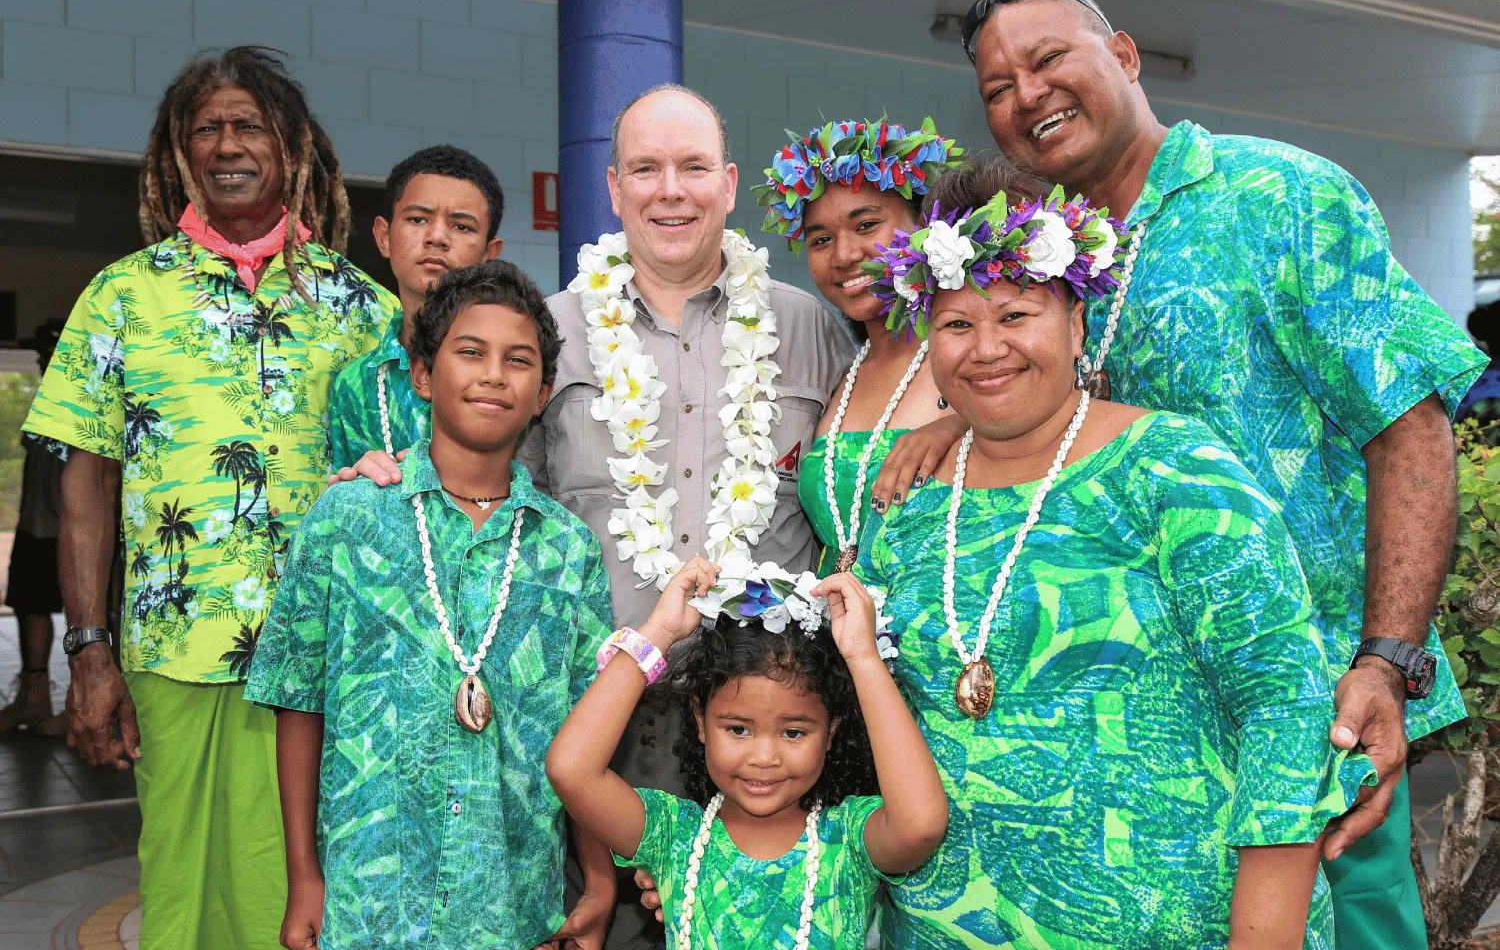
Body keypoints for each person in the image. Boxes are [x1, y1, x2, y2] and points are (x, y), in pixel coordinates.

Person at [959, 0, 1488, 947]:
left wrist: (1384, 660)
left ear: (1122, 55)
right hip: (1135, 741)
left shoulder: (1277, 195)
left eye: (1046, 60)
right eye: (996, 87)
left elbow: (1409, 429)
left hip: (1311, 713)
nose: (1025, 94)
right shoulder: (1042, 255)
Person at [337, 83, 857, 950]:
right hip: (607, 720)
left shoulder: (810, 328)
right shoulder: (553, 332)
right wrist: (397, 469)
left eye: (693, 167)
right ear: (613, 189)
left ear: (728, 184)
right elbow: (493, 495)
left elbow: (864, 471)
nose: (671, 190)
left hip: (774, 728)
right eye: (645, 169)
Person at [854, 156, 1369, 948]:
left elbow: (1283, 708)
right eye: (957, 325)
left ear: (1076, 321)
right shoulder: (909, 508)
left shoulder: (1174, 469)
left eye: (1016, 314)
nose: (986, 348)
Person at [21, 46, 399, 949]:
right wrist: (87, 650)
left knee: (296, 886)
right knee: (181, 886)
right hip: (173, 650)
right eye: (207, 128)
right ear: (179, 152)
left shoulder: (361, 308)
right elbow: (87, 483)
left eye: (249, 125)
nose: (227, 144)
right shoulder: (122, 296)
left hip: (322, 656)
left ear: (291, 147)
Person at [247, 262, 616, 950]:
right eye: (469, 352)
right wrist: (306, 877)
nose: (493, 374)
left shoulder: (569, 551)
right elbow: (299, 701)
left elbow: (586, 731)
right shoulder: (346, 520)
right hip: (371, 901)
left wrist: (597, 881)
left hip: (512, 899)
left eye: (519, 361)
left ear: (541, 394)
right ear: (423, 376)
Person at [546, 555, 948, 948]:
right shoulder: (673, 836)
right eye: (738, 729)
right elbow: (571, 769)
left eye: (793, 732)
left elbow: (921, 824)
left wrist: (863, 658)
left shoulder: (849, 840)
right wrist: (660, 630)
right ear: (701, 722)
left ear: (830, 732)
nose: (764, 757)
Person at [751, 118, 966, 576]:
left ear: (927, 224)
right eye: (821, 240)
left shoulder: (977, 356)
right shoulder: (843, 373)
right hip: (833, 638)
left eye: (866, 225)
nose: (845, 255)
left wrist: (961, 425)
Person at [327, 145, 506, 469]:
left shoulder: (511, 370)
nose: (437, 237)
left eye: (462, 226)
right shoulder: (355, 386)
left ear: (489, 253)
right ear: (384, 237)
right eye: (418, 219)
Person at [0, 320, 68, 736]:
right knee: (28, 604)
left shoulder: (86, 395)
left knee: (94, 617)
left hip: (72, 529)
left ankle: (87, 708)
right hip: (36, 523)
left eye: (50, 355)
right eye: (41, 357)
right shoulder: (47, 398)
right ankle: (33, 698)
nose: (44, 363)